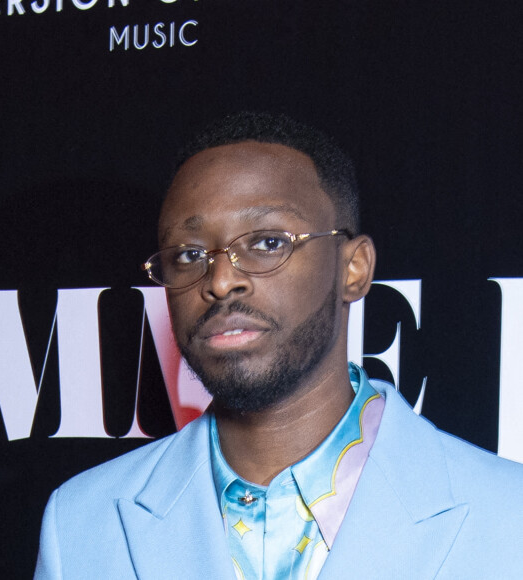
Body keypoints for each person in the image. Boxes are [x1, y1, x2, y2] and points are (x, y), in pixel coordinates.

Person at [35, 112, 523, 580]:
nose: (222, 280)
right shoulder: (81, 521)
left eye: (268, 242)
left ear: (354, 268)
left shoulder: (508, 516)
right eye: (189, 254)